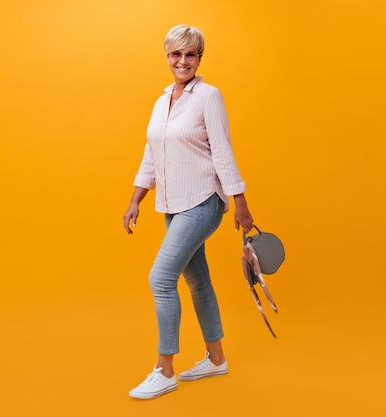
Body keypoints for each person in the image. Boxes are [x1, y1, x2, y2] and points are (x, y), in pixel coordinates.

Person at [123, 24, 254, 399]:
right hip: (171, 204)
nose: (183, 61)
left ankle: (165, 369)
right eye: (176, 54)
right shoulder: (162, 99)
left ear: (199, 59)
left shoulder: (208, 97)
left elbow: (222, 151)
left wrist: (240, 203)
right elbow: (152, 152)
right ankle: (216, 359)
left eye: (190, 55)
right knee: (197, 281)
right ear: (167, 56)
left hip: (202, 202)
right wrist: (136, 198)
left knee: (161, 280)